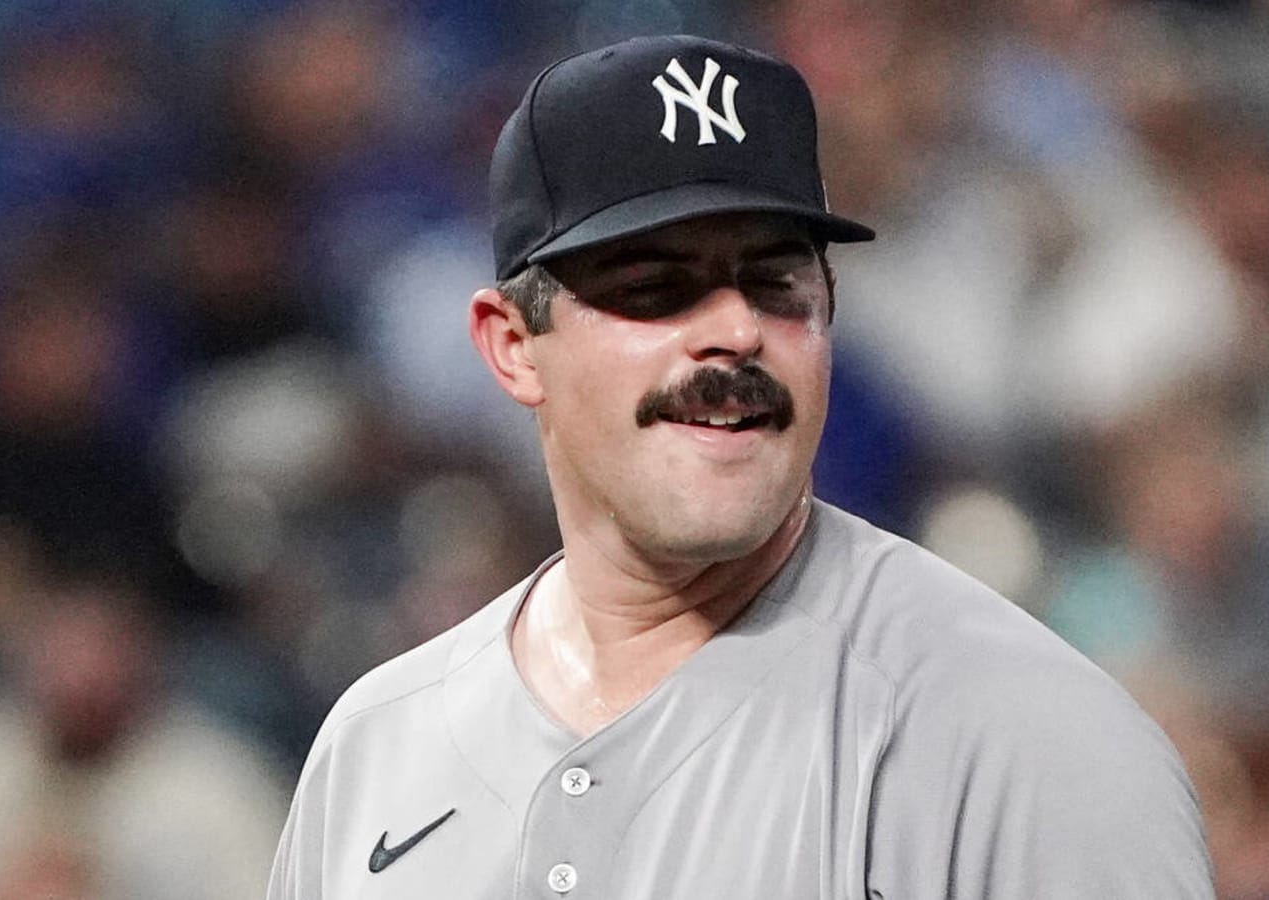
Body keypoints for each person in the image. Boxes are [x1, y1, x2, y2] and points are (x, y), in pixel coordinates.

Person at [267, 34, 1213, 898]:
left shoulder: (1029, 742)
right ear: (513, 346)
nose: (734, 330)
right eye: (655, 290)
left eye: (774, 281)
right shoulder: (378, 746)